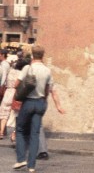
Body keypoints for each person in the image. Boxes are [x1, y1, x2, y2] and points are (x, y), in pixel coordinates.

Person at [13, 44, 64, 172]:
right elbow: (51, 90)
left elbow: (16, 84)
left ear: (32, 55)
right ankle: (31, 166)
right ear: (43, 55)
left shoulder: (27, 68)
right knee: (35, 134)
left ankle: (20, 160)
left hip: (29, 102)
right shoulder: (47, 70)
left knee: (20, 129)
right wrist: (58, 106)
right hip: (41, 103)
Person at [0, 56, 19, 138]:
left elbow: (4, 81)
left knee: (4, 112)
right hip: (17, 94)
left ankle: (1, 132)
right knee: (17, 114)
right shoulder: (21, 73)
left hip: (8, 92)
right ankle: (14, 133)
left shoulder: (9, 72)